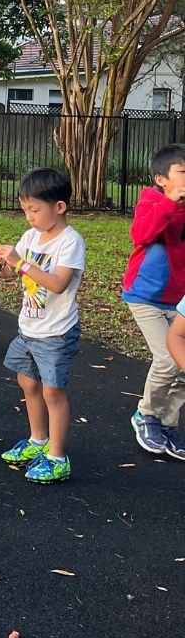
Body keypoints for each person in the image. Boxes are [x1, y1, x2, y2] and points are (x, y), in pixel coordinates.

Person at [0, 168, 85, 484]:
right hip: (28, 328)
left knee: (52, 392)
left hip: (56, 333)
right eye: (25, 210)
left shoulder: (70, 242)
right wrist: (3, 264)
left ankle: (58, 458)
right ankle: (37, 441)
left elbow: (58, 283)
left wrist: (20, 262)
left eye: (35, 210)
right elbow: (12, 274)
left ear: (59, 207)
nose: (29, 217)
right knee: (27, 383)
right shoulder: (30, 237)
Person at [120, 145, 185, 460]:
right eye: (183, 172)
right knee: (169, 359)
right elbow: (141, 234)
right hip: (144, 296)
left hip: (178, 300)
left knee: (184, 365)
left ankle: (166, 423)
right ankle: (145, 414)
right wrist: (169, 204)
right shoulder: (152, 202)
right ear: (162, 179)